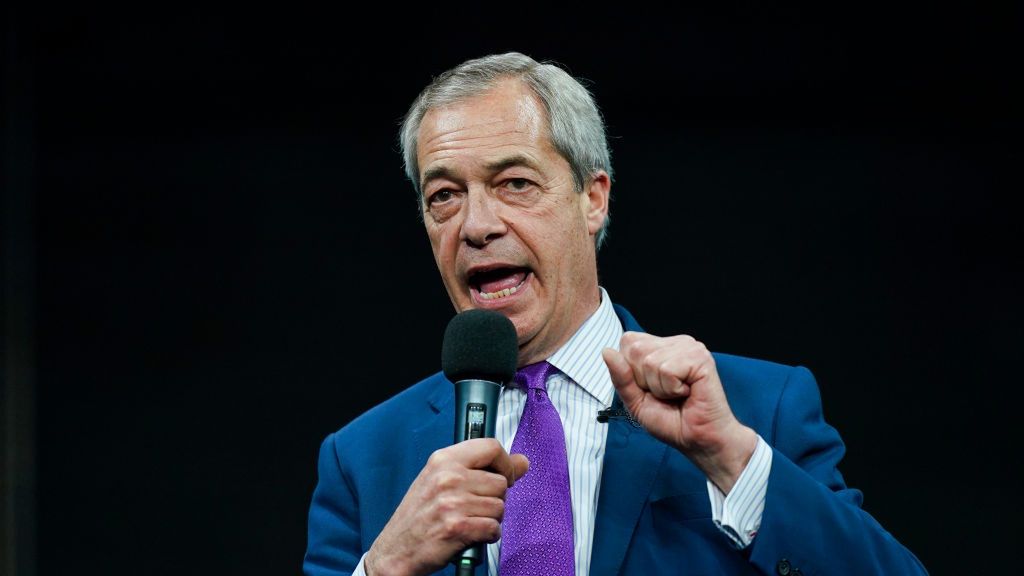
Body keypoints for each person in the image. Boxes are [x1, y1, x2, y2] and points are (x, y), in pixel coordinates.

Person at [303, 52, 927, 576]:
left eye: (515, 183)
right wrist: (383, 566)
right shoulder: (362, 458)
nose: (476, 225)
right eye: (444, 195)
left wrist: (732, 461)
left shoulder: (757, 410)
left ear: (592, 198)